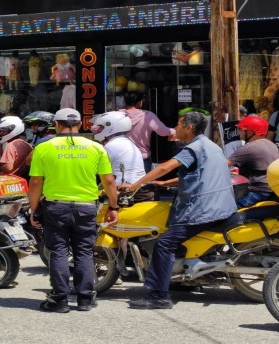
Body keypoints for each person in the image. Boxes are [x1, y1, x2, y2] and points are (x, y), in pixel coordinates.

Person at [121, 110, 237, 309]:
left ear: (189, 128)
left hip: (204, 210)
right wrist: (166, 183)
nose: (176, 128)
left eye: (179, 124)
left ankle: (159, 296)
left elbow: (166, 166)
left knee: (164, 244)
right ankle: (183, 279)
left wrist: (134, 185)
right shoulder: (211, 146)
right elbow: (200, 172)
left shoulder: (192, 148)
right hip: (223, 207)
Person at [28, 108, 119, 313]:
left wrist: (33, 209)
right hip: (86, 207)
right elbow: (109, 181)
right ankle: (85, 299)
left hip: (55, 207)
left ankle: (59, 300)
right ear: (80, 124)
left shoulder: (44, 148)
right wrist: (114, 207)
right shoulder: (96, 147)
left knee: (59, 251)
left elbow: (35, 182)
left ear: (57, 125)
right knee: (84, 252)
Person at [228, 116, 279, 208]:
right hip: (271, 189)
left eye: (241, 129)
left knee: (226, 209)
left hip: (257, 191)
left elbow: (224, 164)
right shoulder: (271, 145)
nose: (239, 132)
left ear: (250, 132)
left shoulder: (249, 148)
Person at [121, 92, 176, 173]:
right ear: (139, 102)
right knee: (142, 184)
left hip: (121, 158)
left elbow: (96, 129)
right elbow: (163, 131)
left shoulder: (116, 115)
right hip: (142, 159)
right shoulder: (147, 116)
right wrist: (173, 131)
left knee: (121, 184)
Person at [90, 111, 146, 187]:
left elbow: (93, 168)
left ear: (110, 127)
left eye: (101, 127)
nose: (98, 130)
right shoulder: (124, 142)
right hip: (135, 186)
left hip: (123, 189)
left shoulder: (112, 146)